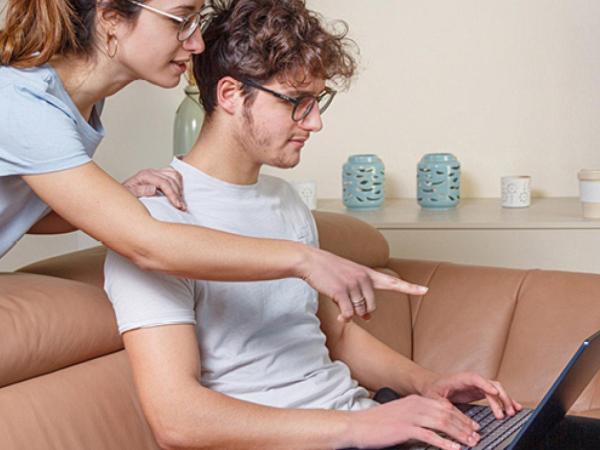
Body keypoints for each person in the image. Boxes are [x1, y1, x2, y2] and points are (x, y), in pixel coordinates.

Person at [104, 1, 524, 449]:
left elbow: (336, 334)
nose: (316, 122)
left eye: (318, 102)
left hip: (359, 425)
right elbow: (178, 422)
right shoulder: (154, 223)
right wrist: (361, 428)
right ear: (229, 95)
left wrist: (426, 384)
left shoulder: (285, 202)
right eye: (297, 103)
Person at [0, 0, 428, 320]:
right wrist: (304, 259)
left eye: (197, 22)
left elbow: (25, 213)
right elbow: (148, 245)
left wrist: (109, 198)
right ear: (112, 18)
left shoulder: (79, 106)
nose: (197, 41)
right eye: (181, 19)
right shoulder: (23, 104)